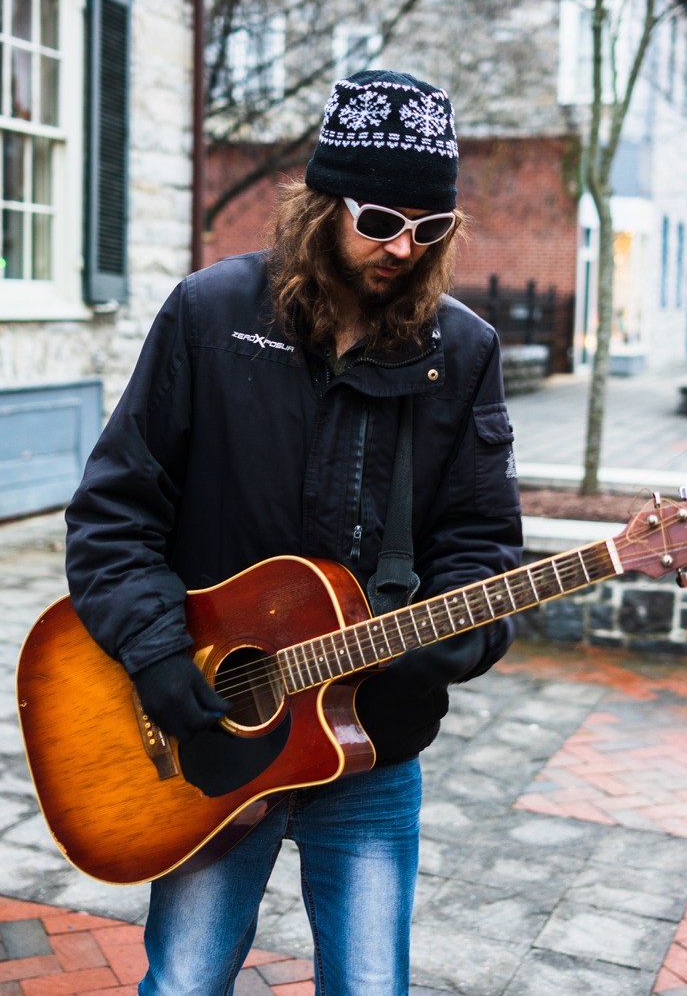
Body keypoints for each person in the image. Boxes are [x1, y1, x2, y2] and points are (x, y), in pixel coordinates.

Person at [64, 70, 523, 995]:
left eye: (428, 230)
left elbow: (483, 543)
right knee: (184, 983)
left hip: (372, 745)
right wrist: (159, 657)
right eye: (380, 220)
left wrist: (448, 641)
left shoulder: (461, 353)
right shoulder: (211, 316)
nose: (402, 247)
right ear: (322, 204)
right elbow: (115, 513)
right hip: (207, 739)